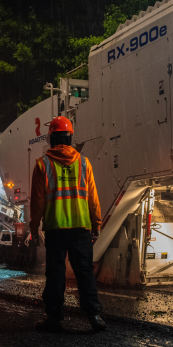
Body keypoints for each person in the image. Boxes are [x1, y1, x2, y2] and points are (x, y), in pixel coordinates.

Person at [29, 116, 105, 332]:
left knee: (55, 273)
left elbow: (37, 202)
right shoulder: (84, 163)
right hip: (81, 227)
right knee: (85, 272)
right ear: (70, 137)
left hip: (55, 228)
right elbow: (93, 198)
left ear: (51, 137)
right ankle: (94, 316)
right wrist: (96, 223)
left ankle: (54, 318)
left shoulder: (42, 165)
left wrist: (34, 229)